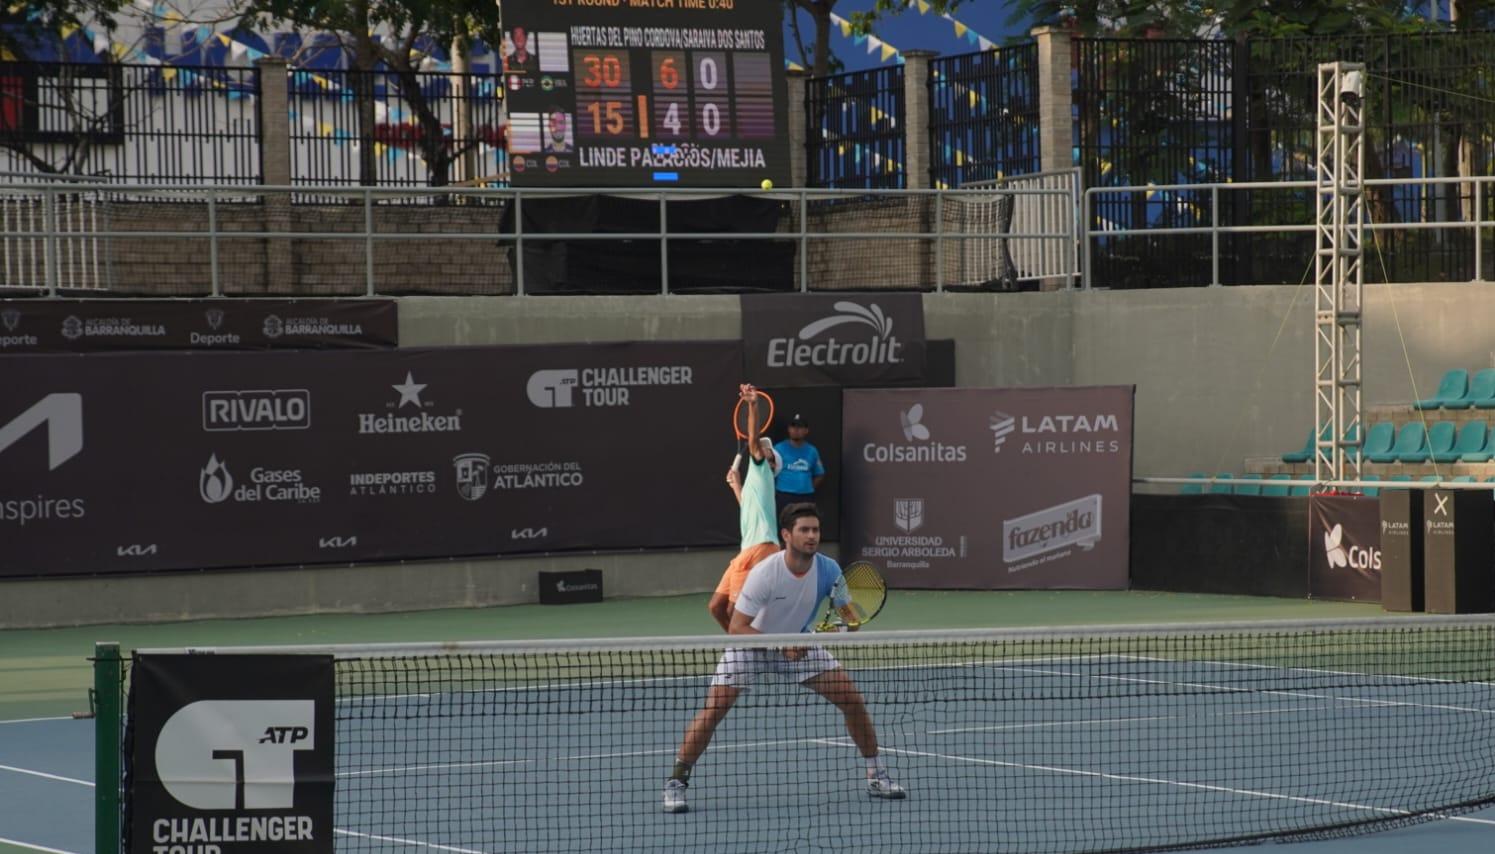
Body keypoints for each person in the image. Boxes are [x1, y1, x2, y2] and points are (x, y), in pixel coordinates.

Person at [662, 502, 906, 813]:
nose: (812, 536)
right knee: (713, 711)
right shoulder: (765, 573)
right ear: (786, 535)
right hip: (751, 646)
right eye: (804, 530)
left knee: (852, 699)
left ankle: (876, 774)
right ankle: (676, 782)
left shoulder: (829, 569)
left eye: (815, 530)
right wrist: (781, 646)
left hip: (799, 644)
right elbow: (737, 627)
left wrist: (836, 631)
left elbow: (851, 619)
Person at [707, 385, 781, 632]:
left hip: (761, 548)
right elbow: (748, 508)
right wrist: (736, 487)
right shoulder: (754, 483)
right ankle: (744, 645)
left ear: (771, 463)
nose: (761, 447)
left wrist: (752, 404)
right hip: (748, 549)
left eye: (766, 449)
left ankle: (748, 650)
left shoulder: (764, 472)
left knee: (734, 612)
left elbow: (752, 438)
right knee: (716, 607)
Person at [773, 413, 825, 517]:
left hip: (806, 497)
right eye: (793, 426)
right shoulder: (778, 448)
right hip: (784, 496)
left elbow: (820, 474)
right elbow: (768, 471)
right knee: (784, 526)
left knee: (804, 526)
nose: (796, 430)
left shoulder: (812, 451)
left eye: (800, 427)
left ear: (806, 430)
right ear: (789, 429)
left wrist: (808, 487)